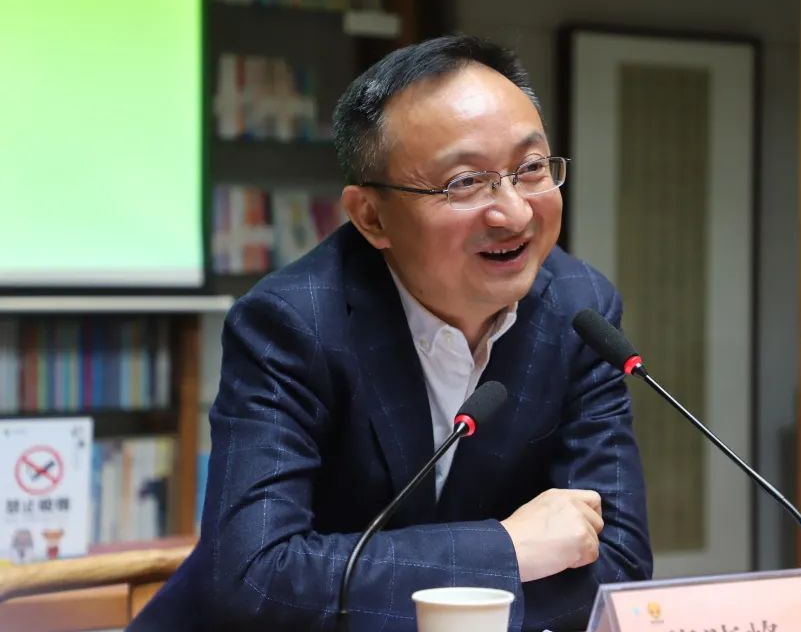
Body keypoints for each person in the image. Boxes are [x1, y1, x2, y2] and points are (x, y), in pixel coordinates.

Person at [130, 35, 652, 631]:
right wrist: (506, 550)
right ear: (372, 216)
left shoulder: (581, 311)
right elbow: (256, 578)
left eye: (531, 169)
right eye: (465, 182)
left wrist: (422, 589)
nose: (514, 212)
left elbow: (618, 571)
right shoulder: (292, 324)